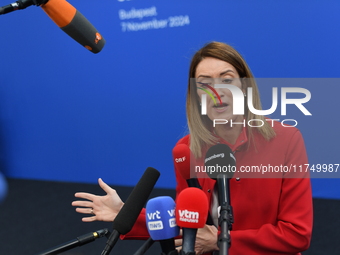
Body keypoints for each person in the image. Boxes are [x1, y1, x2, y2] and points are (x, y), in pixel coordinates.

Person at [72, 42, 313, 255]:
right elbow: (188, 224)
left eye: (227, 79)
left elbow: (297, 234)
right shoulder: (187, 149)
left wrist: (220, 241)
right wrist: (126, 214)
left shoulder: (286, 140)